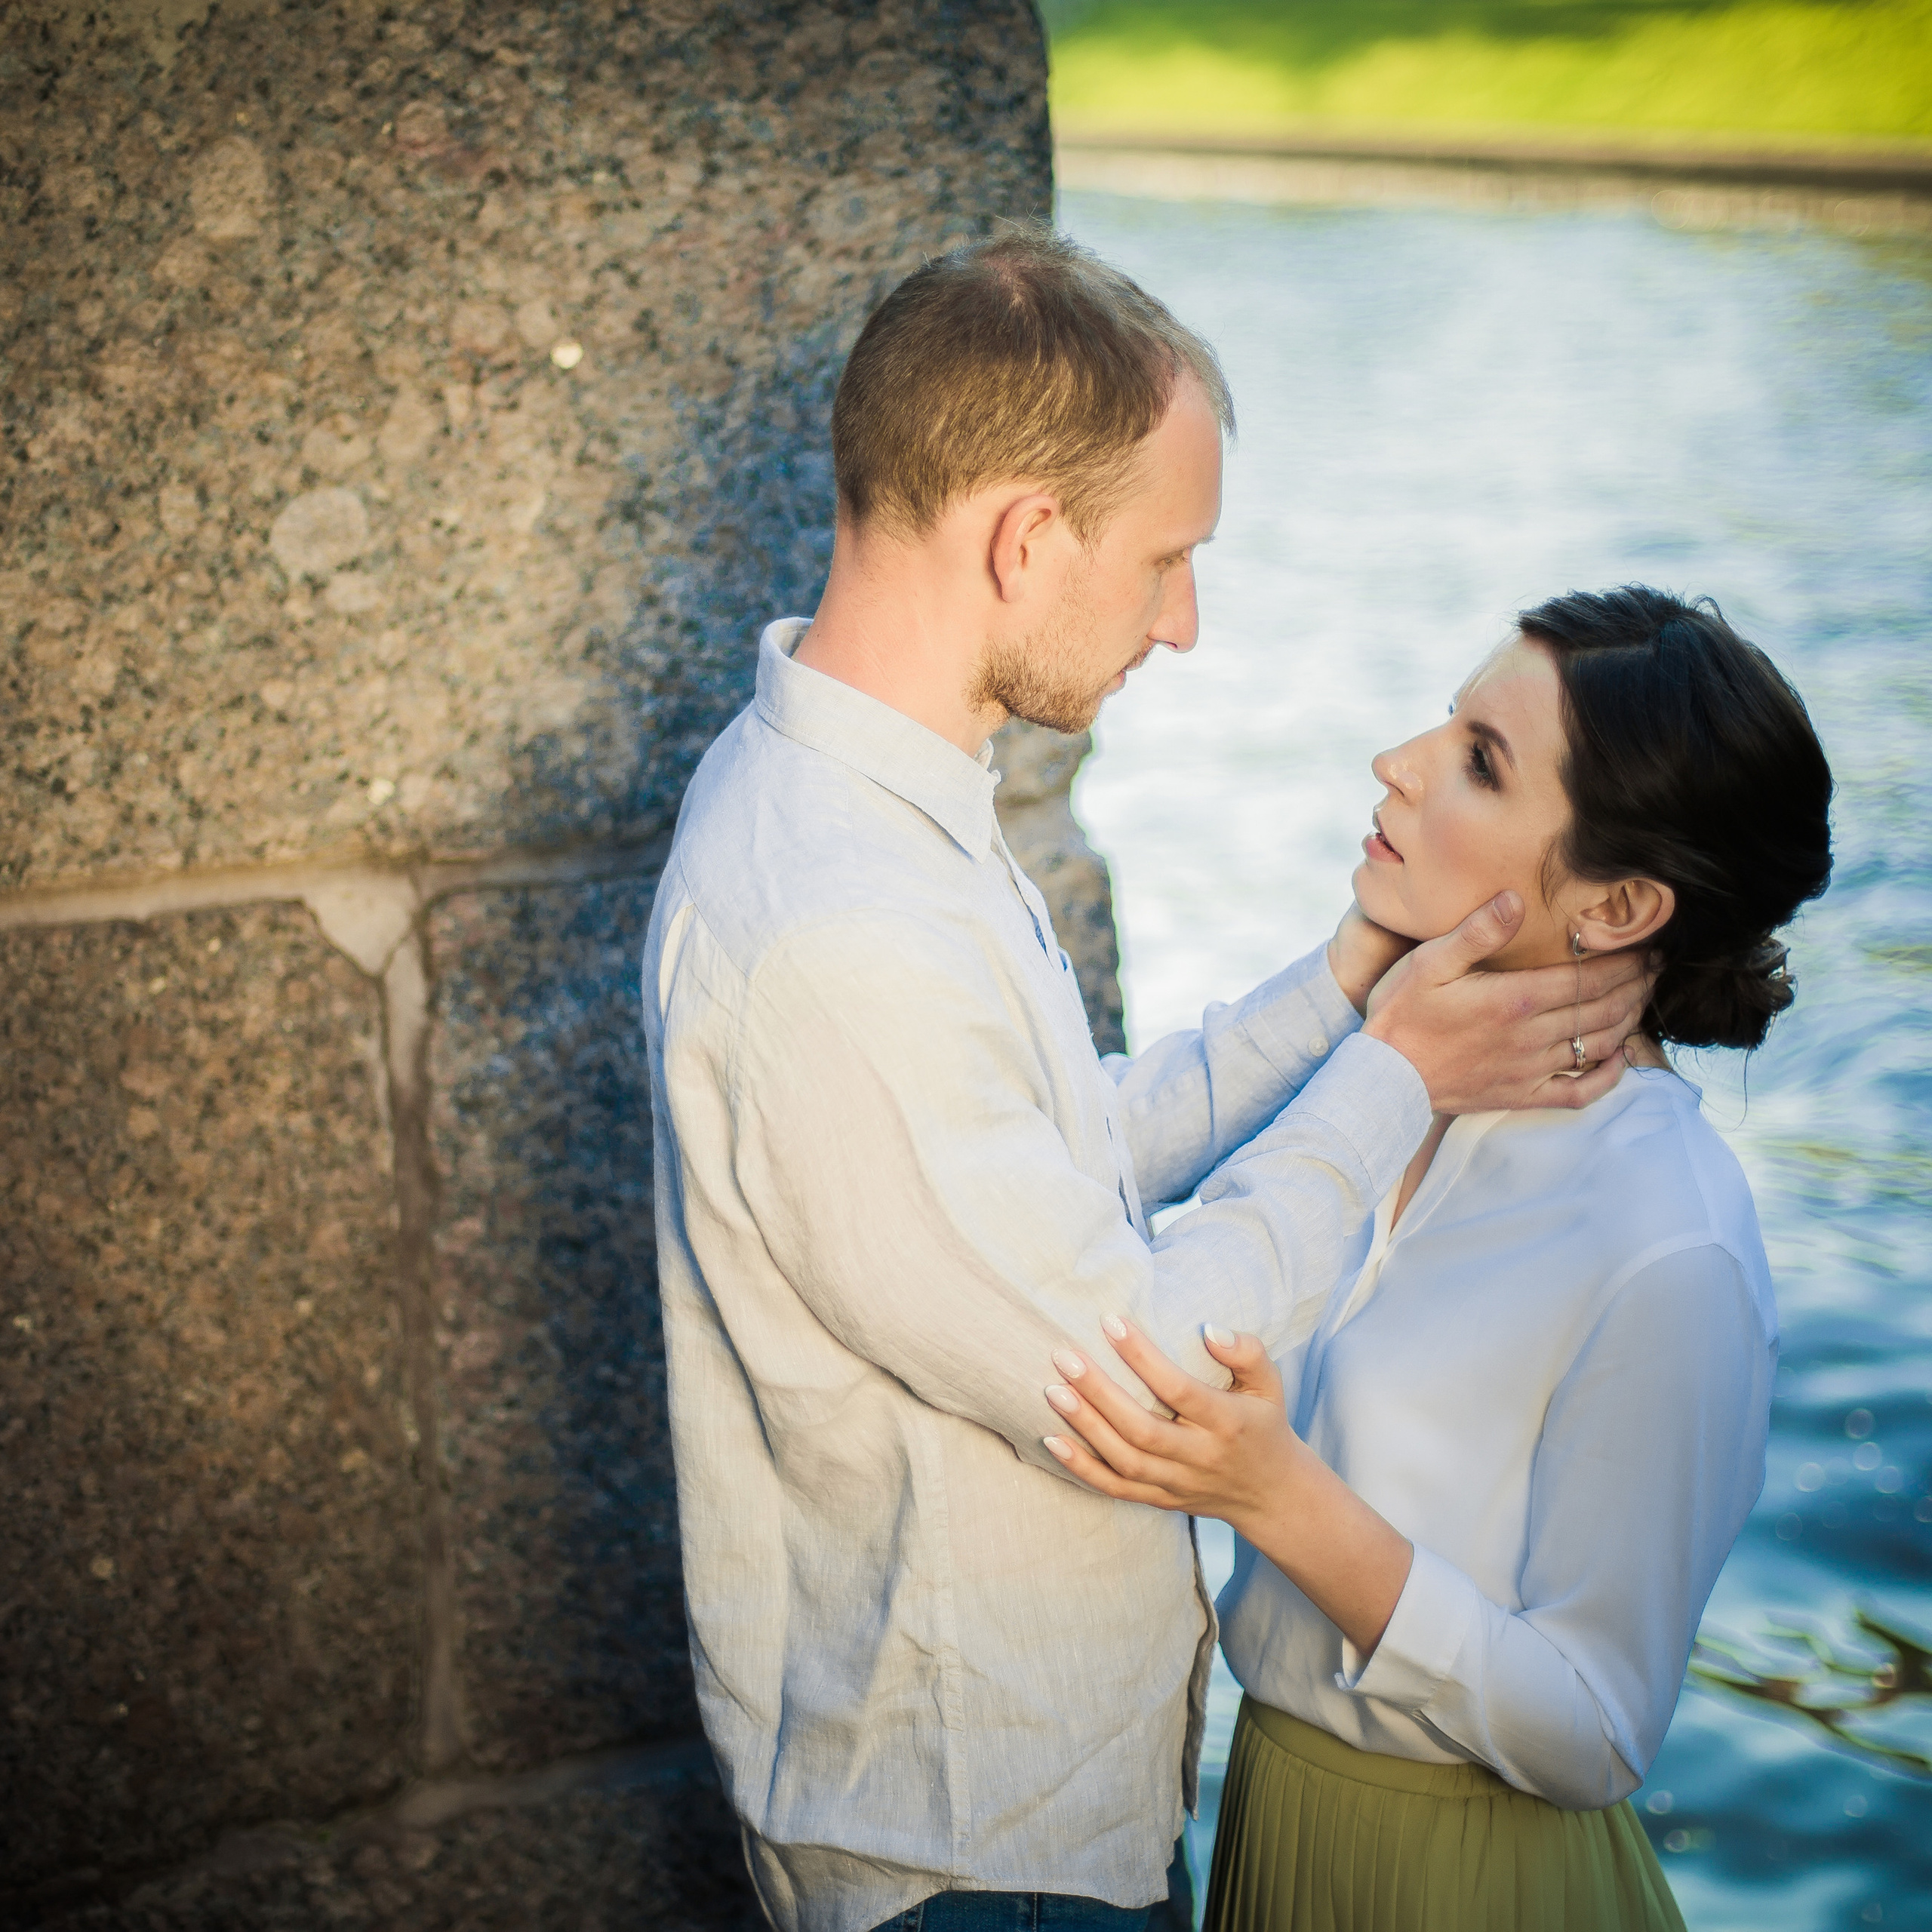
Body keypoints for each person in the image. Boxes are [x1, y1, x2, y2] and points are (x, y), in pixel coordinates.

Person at [641, 228, 1654, 1932]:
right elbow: (1148, 1373)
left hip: (1027, 1838)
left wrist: (1342, 985)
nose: (1180, 625)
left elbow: (1058, 1158)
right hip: (973, 1868)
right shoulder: (831, 921)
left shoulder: (876, 810)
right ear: (1026, 538)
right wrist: (1392, 1074)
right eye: (1164, 559)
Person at [1037, 587, 1834, 1932]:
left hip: (1473, 1884)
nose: (1396, 762)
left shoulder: (1669, 1239)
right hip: (1272, 1822)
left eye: (1479, 758)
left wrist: (1281, 1499)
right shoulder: (1382, 1088)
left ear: (1621, 902)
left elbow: (1597, 1727)